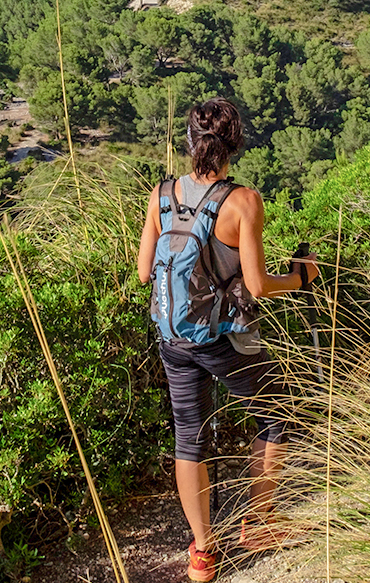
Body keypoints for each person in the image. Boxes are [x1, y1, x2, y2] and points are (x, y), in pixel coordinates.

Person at [137, 97, 320, 582]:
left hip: (173, 338)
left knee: (188, 437)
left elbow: (142, 272)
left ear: (191, 142)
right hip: (224, 339)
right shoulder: (242, 201)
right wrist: (301, 279)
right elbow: (258, 286)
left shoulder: (161, 195)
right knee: (277, 410)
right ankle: (261, 522)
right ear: (233, 144)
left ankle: (201, 551)